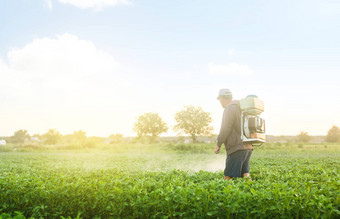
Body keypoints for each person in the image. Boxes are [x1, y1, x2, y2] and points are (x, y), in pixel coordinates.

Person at [214, 89, 253, 181]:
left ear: (222, 98)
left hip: (236, 148)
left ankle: (226, 194)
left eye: (220, 100)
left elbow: (225, 128)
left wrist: (218, 144)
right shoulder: (241, 107)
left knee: (228, 176)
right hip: (248, 147)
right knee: (245, 174)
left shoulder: (230, 108)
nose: (220, 103)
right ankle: (252, 192)